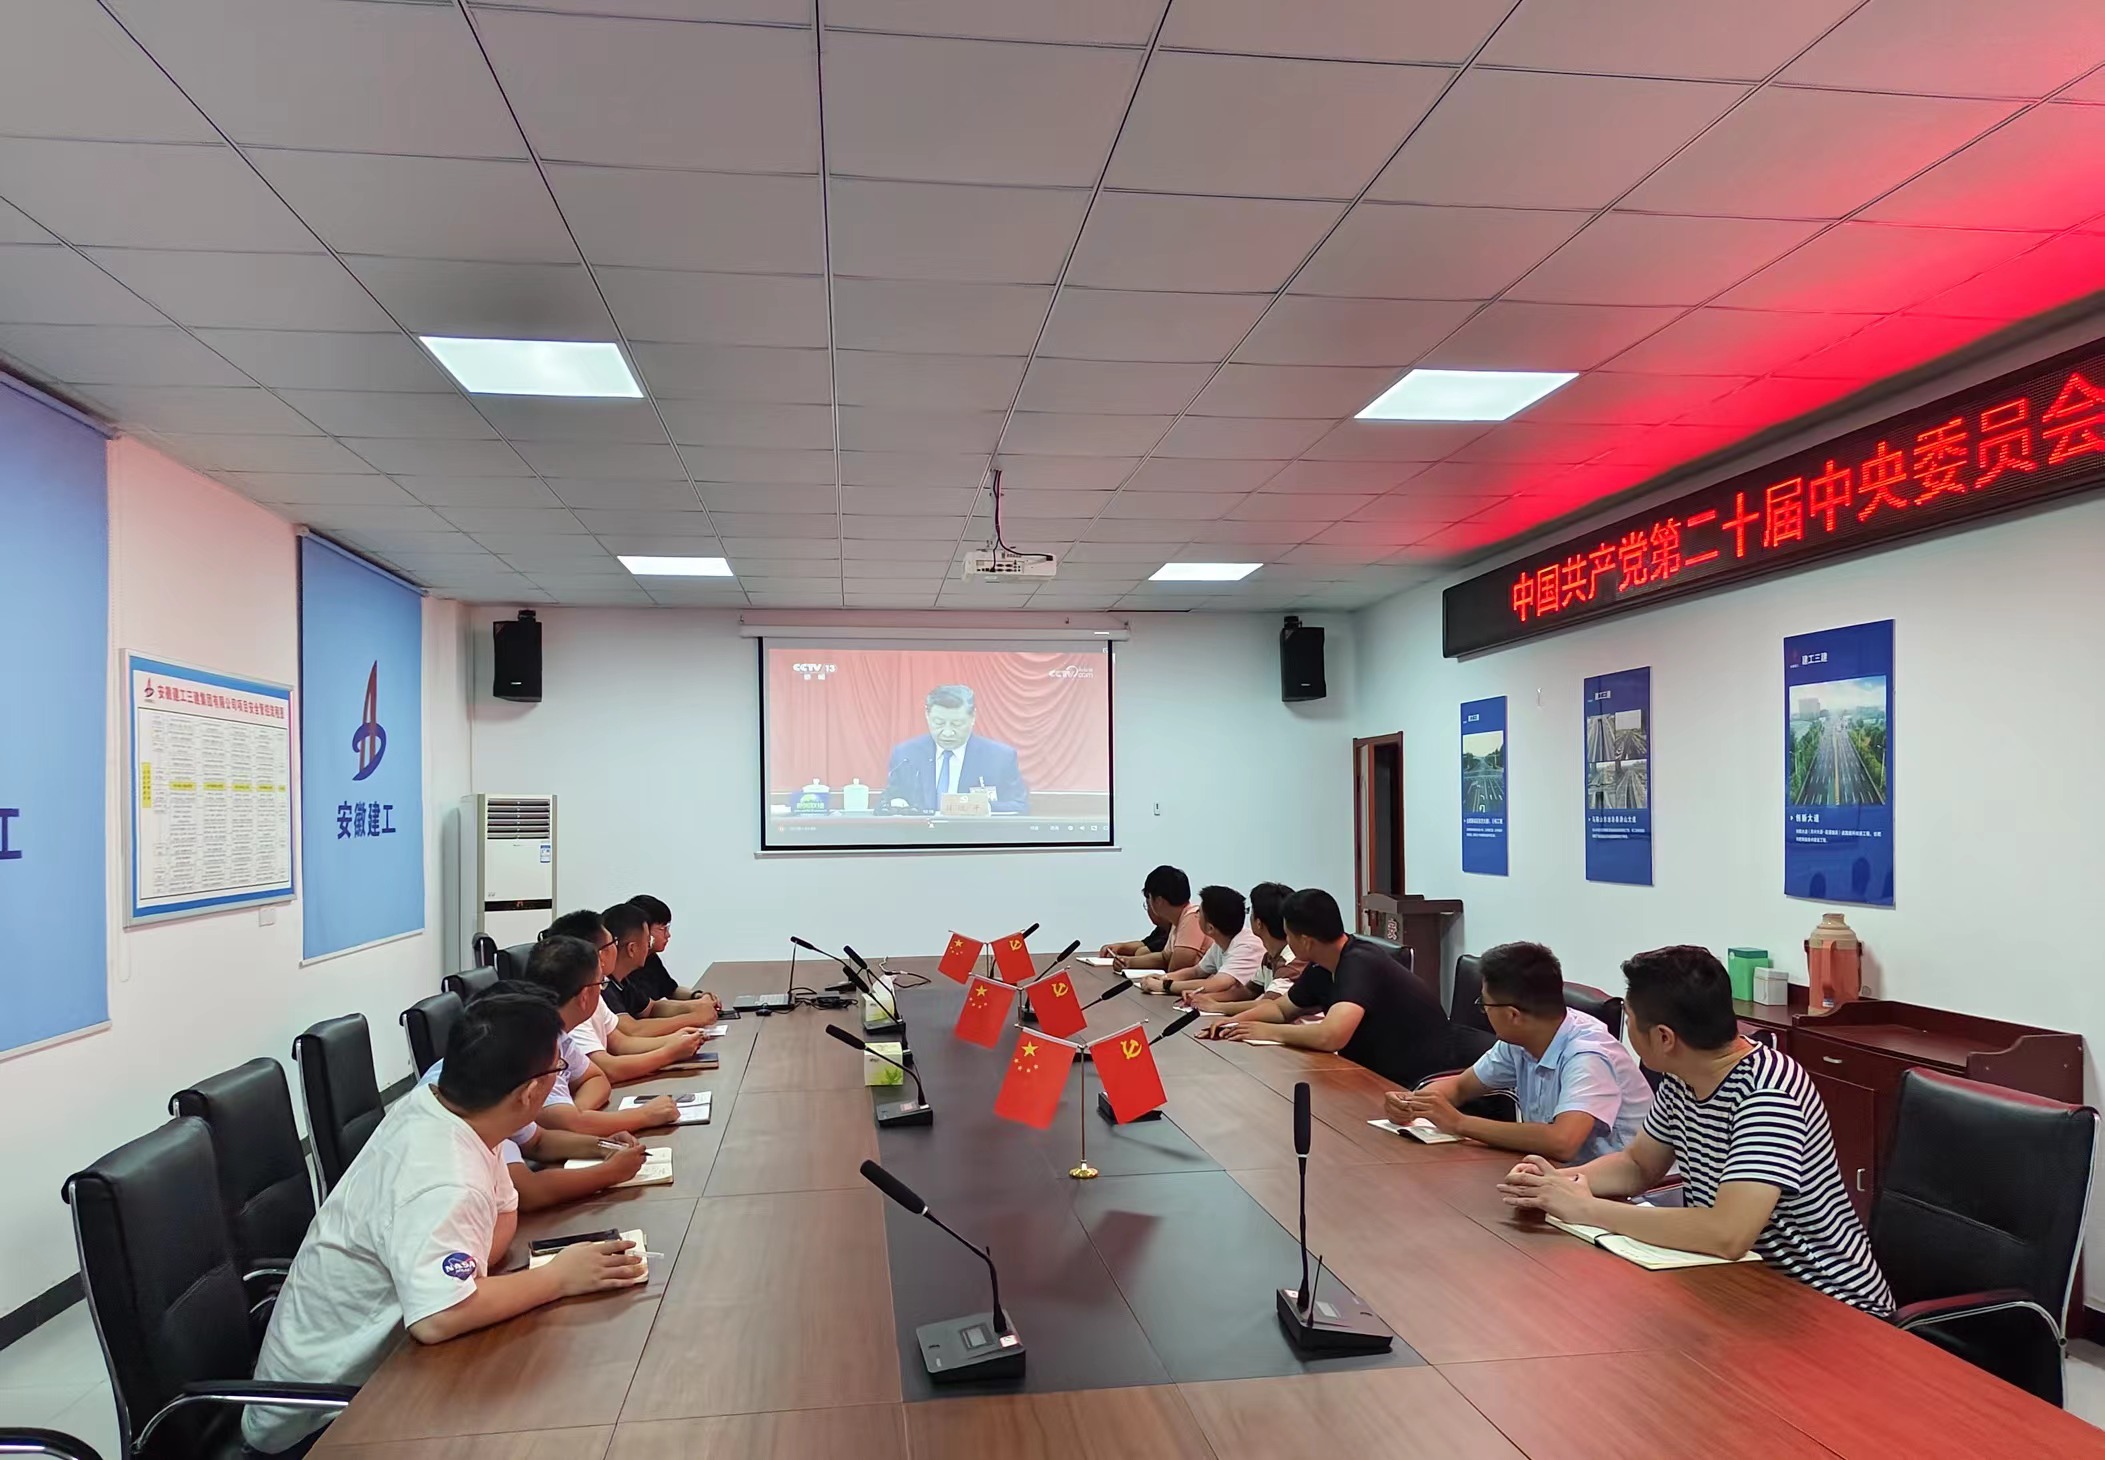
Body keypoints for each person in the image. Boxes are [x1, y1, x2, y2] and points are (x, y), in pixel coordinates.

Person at [244, 993, 644, 1454]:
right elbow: (440, 1317)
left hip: (387, 1368)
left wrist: (472, 1277)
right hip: (317, 1423)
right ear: (528, 1093)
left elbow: (505, 1213)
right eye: (558, 1068)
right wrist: (559, 1277)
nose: (563, 1076)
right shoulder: (444, 1173)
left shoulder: (455, 1114)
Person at [1499, 945, 1894, 1314]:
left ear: (1664, 1038)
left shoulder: (1768, 1094)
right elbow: (1638, 1165)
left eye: (1631, 1021)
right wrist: (1556, 1184)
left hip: (1828, 1303)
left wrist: (1588, 1209)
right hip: (1739, 1285)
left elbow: (1728, 1233)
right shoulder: (1683, 1076)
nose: (1629, 1032)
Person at [1386, 941, 1652, 1163]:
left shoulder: (1587, 1055)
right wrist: (1412, 1104)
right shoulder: (1520, 1039)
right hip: (1561, 1177)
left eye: (1484, 1004)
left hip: (1629, 1195)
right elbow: (1460, 1086)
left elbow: (1562, 1142)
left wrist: (1459, 1123)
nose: (1484, 1011)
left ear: (1513, 1015)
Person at [413, 978, 654, 1210]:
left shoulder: (486, 1075)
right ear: (528, 1092)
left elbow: (538, 1142)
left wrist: (605, 1145)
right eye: (558, 1067)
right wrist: (610, 1172)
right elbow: (528, 1192)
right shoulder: (475, 1110)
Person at [1204, 888, 1451, 1088]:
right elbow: (1281, 1009)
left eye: (1288, 935)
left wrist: (1268, 1032)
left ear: (1306, 941)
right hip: (1376, 1071)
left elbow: (1331, 1036)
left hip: (1424, 1074)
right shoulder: (1322, 964)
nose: (1286, 941)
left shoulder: (1360, 963)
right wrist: (1235, 1022)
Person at [516, 936, 687, 1137]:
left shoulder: (559, 1034)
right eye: (601, 983)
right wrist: (645, 1115)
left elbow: (596, 1078)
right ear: (584, 996)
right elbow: (567, 1125)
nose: (602, 990)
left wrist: (577, 1114)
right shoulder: (534, 1046)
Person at [543, 909, 708, 1084]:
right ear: (599, 956)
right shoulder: (574, 1004)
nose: (617, 947)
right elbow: (608, 1069)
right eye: (613, 943)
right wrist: (670, 1052)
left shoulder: (596, 988)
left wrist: (675, 1040)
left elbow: (621, 1043)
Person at [879, 684, 1028, 813]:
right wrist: (895, 803)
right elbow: (890, 798)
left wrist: (982, 808)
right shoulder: (906, 755)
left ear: (973, 717)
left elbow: (1020, 806)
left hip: (974, 835)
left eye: (957, 724)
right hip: (919, 835)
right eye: (939, 723)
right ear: (927, 715)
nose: (947, 732)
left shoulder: (1000, 757)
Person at [595, 902, 720, 1029]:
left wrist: (697, 1005)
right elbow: (632, 1029)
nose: (648, 947)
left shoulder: (623, 981)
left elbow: (652, 1008)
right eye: (648, 941)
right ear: (631, 949)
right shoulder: (603, 986)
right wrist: (693, 1018)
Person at [1187, 881, 1303, 1015]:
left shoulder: (1290, 963)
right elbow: (1248, 991)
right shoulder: (1270, 957)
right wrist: (1207, 998)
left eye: (1251, 912)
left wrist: (1217, 1006)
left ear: (1258, 923)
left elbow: (1269, 1004)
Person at [1141, 884, 1264, 999]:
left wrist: (1165, 985)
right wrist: (1164, 978)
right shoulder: (1222, 940)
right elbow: (1196, 971)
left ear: (1210, 928)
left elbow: (1216, 985)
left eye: (1199, 912)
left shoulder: (1247, 946)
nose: (1196, 915)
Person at [1099, 865, 1206, 974]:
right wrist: (1128, 962)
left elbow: (1177, 969)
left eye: (1149, 898)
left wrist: (1159, 979)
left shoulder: (1193, 917)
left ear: (1159, 900)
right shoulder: (1178, 920)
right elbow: (1164, 958)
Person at [627, 893, 702, 1005]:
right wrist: (696, 1007)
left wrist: (697, 996)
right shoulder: (626, 969)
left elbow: (671, 990)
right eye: (662, 929)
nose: (668, 935)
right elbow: (650, 1009)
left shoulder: (651, 958)